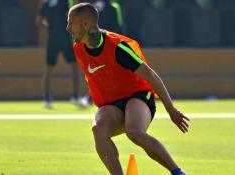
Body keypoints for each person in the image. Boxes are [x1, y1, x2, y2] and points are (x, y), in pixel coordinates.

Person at [66, 3, 189, 175]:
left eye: (71, 22)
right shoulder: (78, 48)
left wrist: (171, 110)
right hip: (112, 104)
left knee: (134, 132)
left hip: (137, 96)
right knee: (98, 130)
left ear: (85, 24)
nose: (68, 28)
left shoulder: (118, 47)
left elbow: (152, 77)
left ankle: (177, 172)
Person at [37, 0, 83, 108]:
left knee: (49, 69)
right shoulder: (65, 1)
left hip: (52, 38)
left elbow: (39, 21)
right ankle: (75, 96)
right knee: (75, 67)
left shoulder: (45, 3)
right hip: (66, 38)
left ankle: (47, 99)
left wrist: (49, 27)